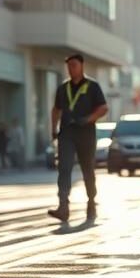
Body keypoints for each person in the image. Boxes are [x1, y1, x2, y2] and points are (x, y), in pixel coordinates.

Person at [48, 54, 109, 223]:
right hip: (67, 133)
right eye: (68, 66)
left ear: (82, 66)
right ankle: (63, 207)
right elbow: (56, 110)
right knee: (64, 168)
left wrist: (88, 118)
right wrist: (53, 130)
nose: (71, 69)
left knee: (88, 169)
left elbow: (103, 108)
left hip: (86, 133)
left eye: (74, 65)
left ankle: (91, 203)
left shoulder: (92, 86)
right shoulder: (63, 88)